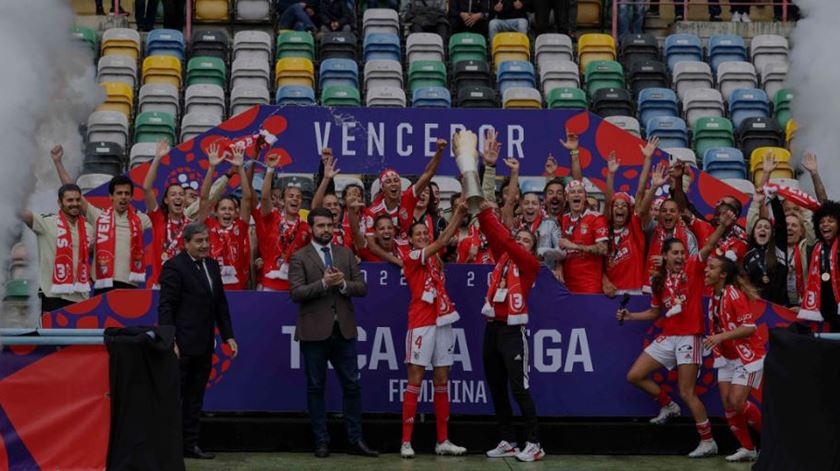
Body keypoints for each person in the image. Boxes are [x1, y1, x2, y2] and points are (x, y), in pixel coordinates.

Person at [617, 208, 736, 458]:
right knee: (635, 375)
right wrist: (630, 317)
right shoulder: (659, 280)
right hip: (668, 336)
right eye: (675, 253)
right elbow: (653, 313)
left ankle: (708, 441)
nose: (681, 256)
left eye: (682, 252)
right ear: (665, 256)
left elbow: (709, 244)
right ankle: (667, 405)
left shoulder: (694, 267)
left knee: (687, 391)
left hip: (689, 336)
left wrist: (722, 227)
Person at [288, 207, 378, 458]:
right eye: (321, 226)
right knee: (315, 387)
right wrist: (324, 284)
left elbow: (362, 288)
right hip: (314, 332)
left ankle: (356, 439)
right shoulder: (299, 257)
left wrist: (343, 285)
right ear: (311, 228)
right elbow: (296, 293)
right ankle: (321, 441)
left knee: (352, 386)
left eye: (330, 225)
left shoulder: (345, 253)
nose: (326, 230)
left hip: (344, 330)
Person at [157, 222, 238, 460]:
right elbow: (166, 306)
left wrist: (228, 335)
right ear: (186, 243)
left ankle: (190, 445)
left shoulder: (212, 266)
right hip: (180, 346)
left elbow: (220, 305)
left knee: (195, 398)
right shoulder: (174, 267)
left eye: (206, 241)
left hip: (204, 344)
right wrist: (169, 338)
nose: (204, 245)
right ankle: (166, 448)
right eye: (199, 241)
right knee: (173, 398)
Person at [399, 201, 469, 458]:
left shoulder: (436, 261)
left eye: (425, 234)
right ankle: (406, 441)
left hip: (443, 321)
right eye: (417, 234)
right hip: (421, 324)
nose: (422, 237)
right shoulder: (410, 257)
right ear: (409, 239)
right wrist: (459, 214)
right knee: (415, 380)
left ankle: (443, 441)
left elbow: (441, 247)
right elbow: (441, 243)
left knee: (442, 381)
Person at [477, 199, 544, 462]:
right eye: (519, 238)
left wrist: (485, 210)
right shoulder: (502, 259)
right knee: (496, 387)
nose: (520, 242)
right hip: (492, 330)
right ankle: (508, 440)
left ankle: (535, 442)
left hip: (513, 333)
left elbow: (504, 240)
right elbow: (492, 233)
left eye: (526, 240)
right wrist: (481, 212)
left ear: (532, 249)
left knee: (520, 388)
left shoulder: (529, 265)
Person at [50, 145, 152, 295]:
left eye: (127, 193)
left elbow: (163, 215)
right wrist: (58, 162)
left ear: (131, 197)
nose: (123, 197)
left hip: (130, 287)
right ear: (111, 197)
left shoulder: (141, 219)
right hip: (102, 285)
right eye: (119, 193)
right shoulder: (98, 216)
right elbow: (72, 190)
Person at [703, 254, 764, 462]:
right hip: (726, 357)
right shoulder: (714, 295)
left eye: (711, 268)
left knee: (738, 402)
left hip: (746, 356)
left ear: (723, 275)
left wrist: (720, 336)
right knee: (728, 404)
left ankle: (772, 441)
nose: (706, 270)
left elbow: (749, 328)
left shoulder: (734, 295)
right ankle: (748, 448)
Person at [20, 183, 94, 312]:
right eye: (69, 200)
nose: (75, 203)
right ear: (60, 203)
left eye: (77, 200)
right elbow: (24, 214)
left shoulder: (89, 228)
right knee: (53, 333)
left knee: (79, 333)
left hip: (80, 296)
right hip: (52, 295)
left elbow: (89, 255)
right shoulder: (47, 222)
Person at [603, 141, 663, 295]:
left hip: (634, 291)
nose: (620, 208)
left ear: (629, 210)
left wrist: (647, 160)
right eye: (617, 205)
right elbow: (609, 200)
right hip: (609, 290)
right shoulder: (604, 229)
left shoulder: (634, 227)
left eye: (624, 206)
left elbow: (640, 192)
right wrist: (611, 174)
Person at [365, 138, 446, 248]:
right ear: (382, 188)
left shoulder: (407, 197)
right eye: (388, 182)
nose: (393, 184)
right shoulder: (373, 211)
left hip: (407, 254)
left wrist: (439, 152)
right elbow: (371, 245)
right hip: (384, 256)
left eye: (396, 180)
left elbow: (428, 174)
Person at [196, 143, 253, 290]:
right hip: (211, 288)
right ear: (215, 212)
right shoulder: (207, 225)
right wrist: (212, 167)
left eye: (230, 209)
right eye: (223, 209)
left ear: (236, 213)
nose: (227, 212)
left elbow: (247, 199)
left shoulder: (240, 226)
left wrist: (240, 169)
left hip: (237, 288)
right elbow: (203, 199)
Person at [255, 153, 312, 291]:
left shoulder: (305, 226)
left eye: (298, 197)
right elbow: (264, 198)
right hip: (269, 284)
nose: (295, 199)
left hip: (293, 286)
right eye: (290, 196)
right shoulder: (273, 217)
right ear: (282, 201)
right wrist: (270, 170)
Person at [143, 141, 192, 287]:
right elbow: (146, 188)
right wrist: (157, 158)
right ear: (166, 199)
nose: (178, 197)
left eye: (181, 194)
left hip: (184, 286)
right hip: (160, 284)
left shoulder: (190, 225)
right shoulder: (158, 218)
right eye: (173, 194)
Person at [797, 200, 840, 332]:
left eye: (831, 221)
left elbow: (822, 196)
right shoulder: (816, 247)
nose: (825, 224)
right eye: (821, 222)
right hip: (823, 306)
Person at [744, 191, 789, 306]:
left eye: (767, 227)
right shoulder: (749, 253)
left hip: (780, 308)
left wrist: (774, 199)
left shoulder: (779, 248)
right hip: (756, 308)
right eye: (759, 227)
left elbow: (781, 223)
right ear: (753, 234)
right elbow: (750, 223)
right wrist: (756, 202)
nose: (763, 229)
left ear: (772, 233)